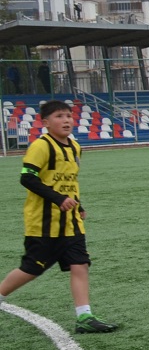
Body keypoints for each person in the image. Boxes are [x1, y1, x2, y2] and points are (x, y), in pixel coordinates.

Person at [0, 100, 118, 332]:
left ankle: (84, 317)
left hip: (71, 222)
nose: (66, 120)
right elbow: (27, 178)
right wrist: (58, 199)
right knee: (32, 268)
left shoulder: (75, 147)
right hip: (44, 223)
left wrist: (78, 205)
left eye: (68, 116)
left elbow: (69, 181)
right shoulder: (41, 146)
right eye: (59, 116)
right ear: (45, 122)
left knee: (80, 264)